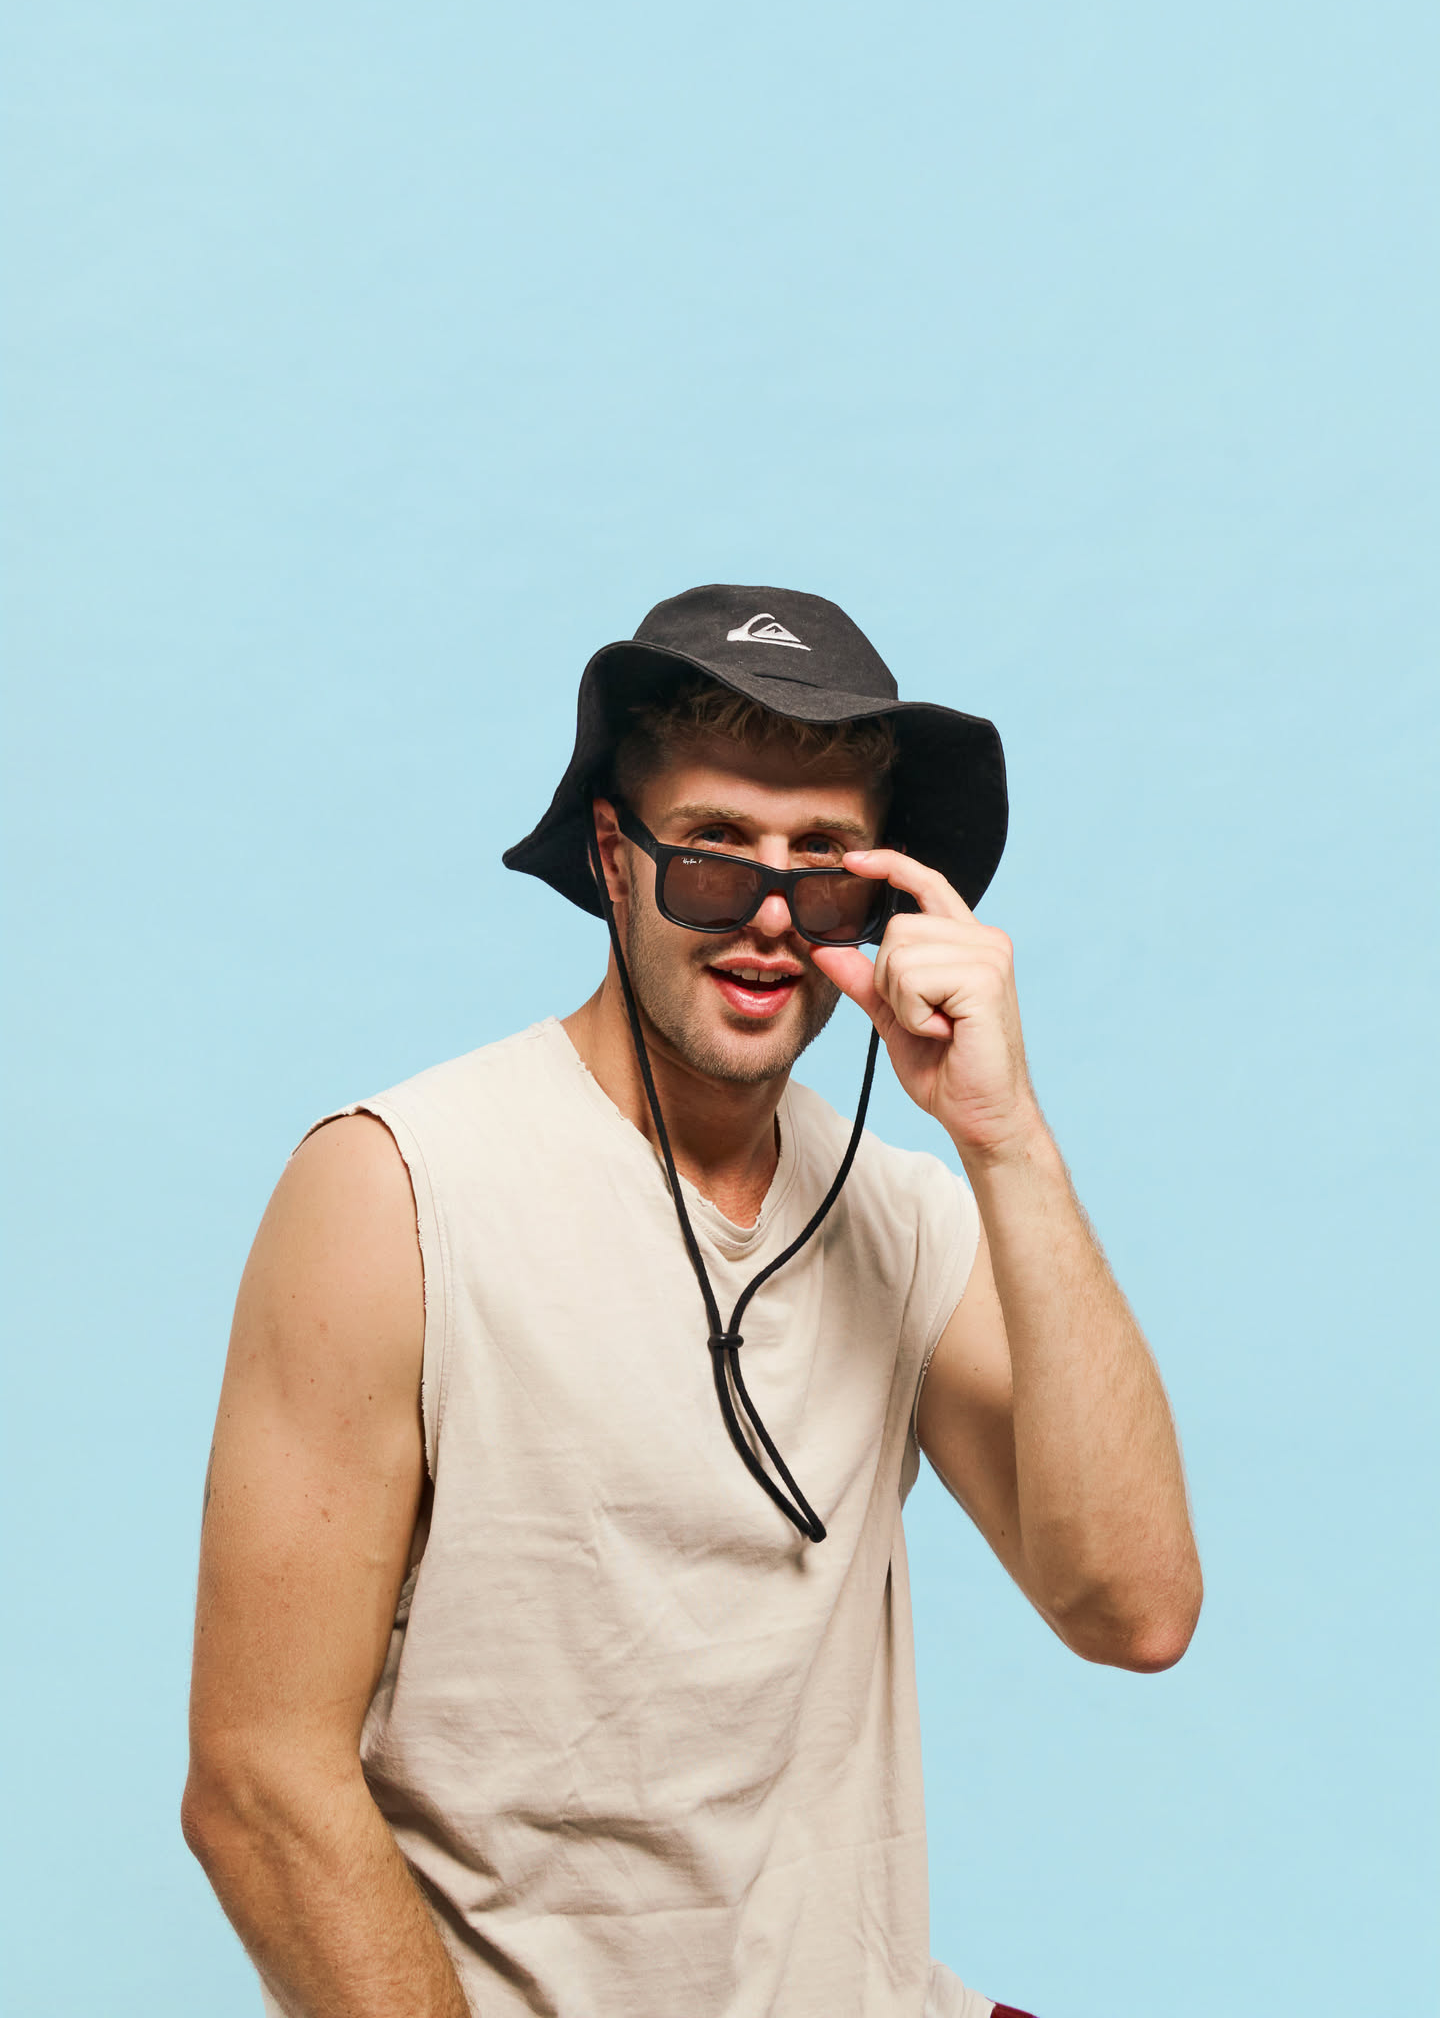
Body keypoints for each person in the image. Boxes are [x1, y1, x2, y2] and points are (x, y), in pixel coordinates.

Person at [183, 585, 1202, 2018]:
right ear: (615, 858)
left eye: (824, 864)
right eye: (715, 855)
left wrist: (1006, 1134)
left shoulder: (908, 1216)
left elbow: (1136, 1610)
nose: (771, 917)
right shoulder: (396, 1191)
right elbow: (258, 1785)